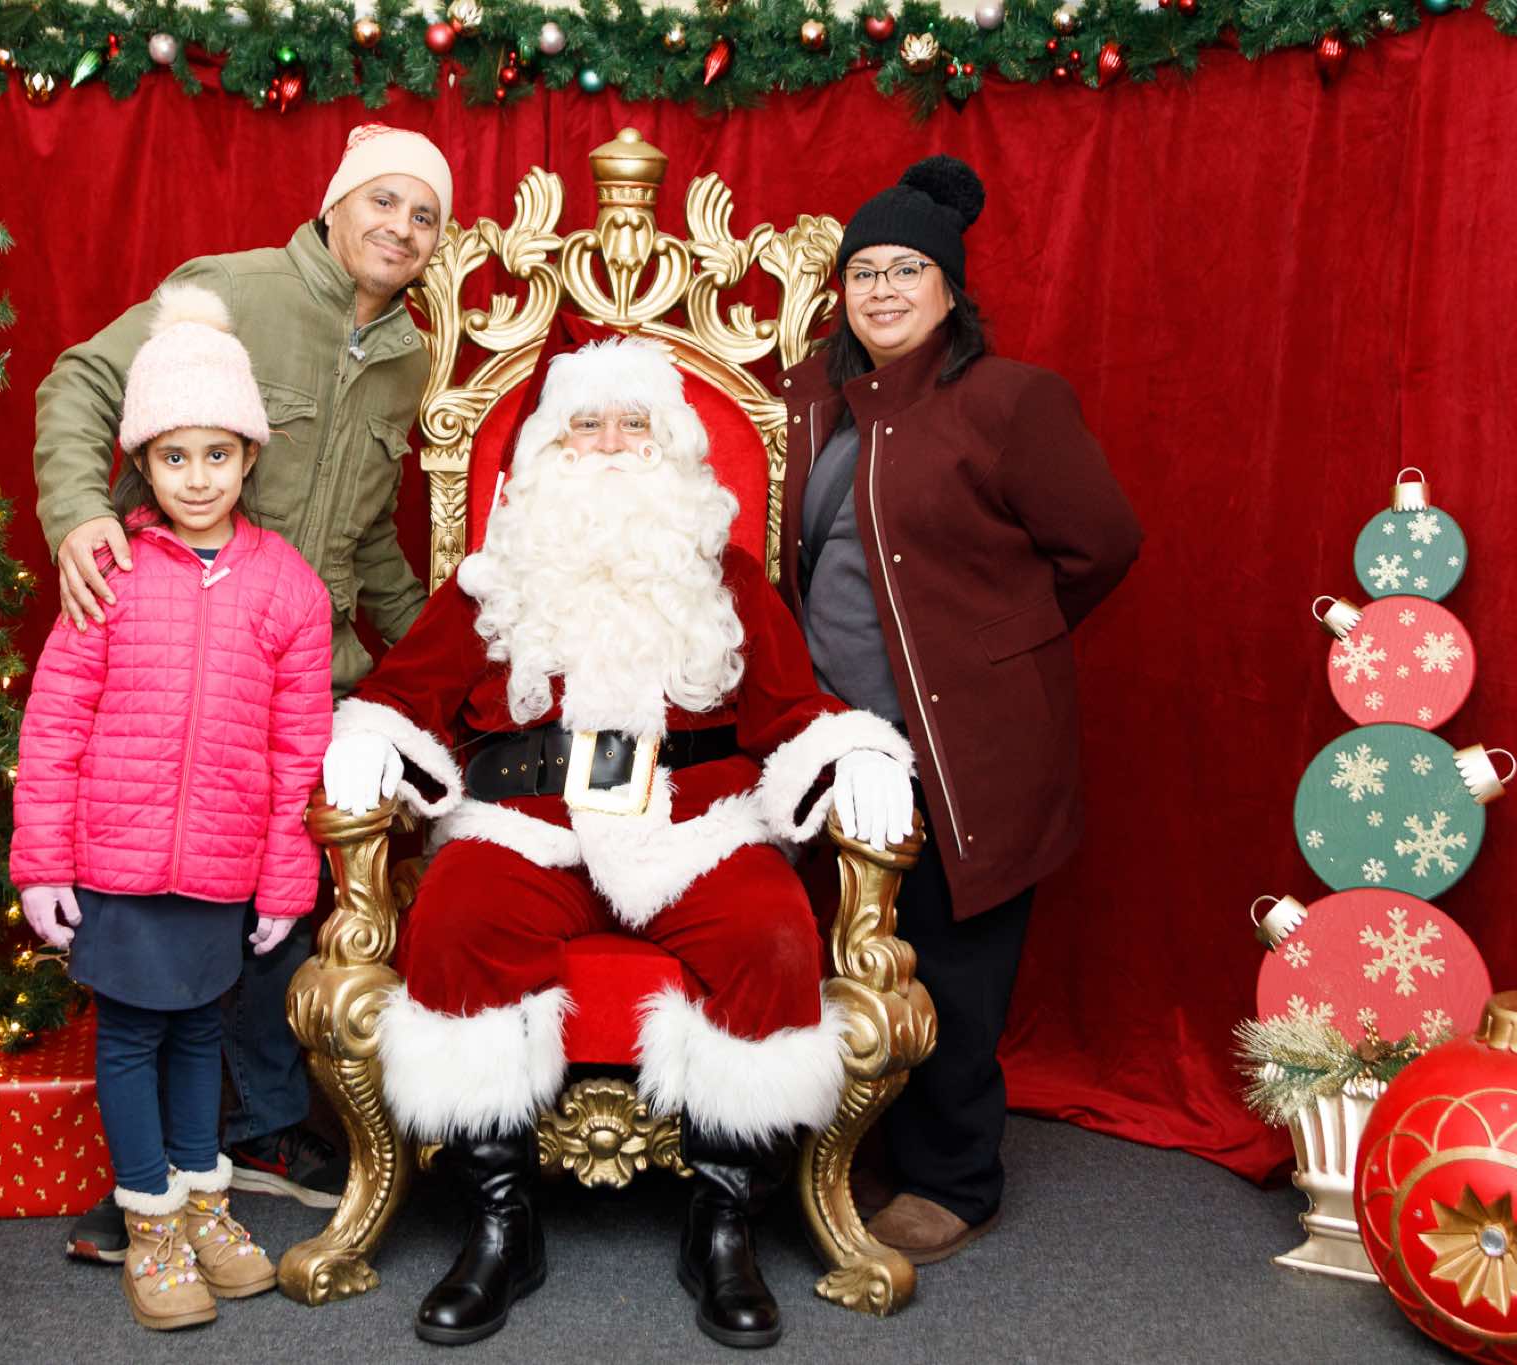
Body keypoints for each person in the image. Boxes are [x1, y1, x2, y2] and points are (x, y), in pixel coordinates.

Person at [320, 337, 917, 1349]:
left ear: (669, 445)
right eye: (583, 425)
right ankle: (501, 1223)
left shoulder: (725, 576)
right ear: (547, 449)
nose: (606, 444)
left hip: (693, 829)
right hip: (526, 827)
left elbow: (792, 708)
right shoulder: (494, 579)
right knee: (457, 918)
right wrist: (371, 738)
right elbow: (403, 689)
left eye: (631, 424)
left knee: (773, 933)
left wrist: (853, 750)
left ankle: (722, 1221)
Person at [33, 123, 451, 1256]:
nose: (400, 228)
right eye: (383, 201)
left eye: (424, 216)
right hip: (174, 654)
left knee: (276, 909)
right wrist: (79, 513)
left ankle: (255, 1132)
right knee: (165, 907)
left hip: (300, 672)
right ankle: (155, 1179)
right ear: (335, 204)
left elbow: (367, 540)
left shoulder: (408, 359)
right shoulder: (232, 291)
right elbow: (82, 381)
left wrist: (447, 647)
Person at [775, 157, 1143, 1265]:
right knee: (838, 945)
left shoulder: (1010, 400)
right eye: (864, 272)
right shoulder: (808, 394)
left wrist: (996, 650)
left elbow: (1102, 544)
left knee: (950, 957)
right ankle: (853, 1145)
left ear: (949, 288)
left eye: (908, 270)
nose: (883, 289)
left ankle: (953, 1178)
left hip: (963, 741)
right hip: (835, 738)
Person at [12, 285, 334, 1330]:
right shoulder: (107, 571)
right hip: (115, 861)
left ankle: (203, 1201)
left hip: (221, 865)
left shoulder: (288, 588)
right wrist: (42, 863)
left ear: (249, 456)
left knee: (200, 1033)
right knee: (130, 1038)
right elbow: (54, 723)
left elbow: (298, 752)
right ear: (142, 464)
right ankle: (148, 1218)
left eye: (217, 454)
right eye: (174, 456)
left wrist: (285, 879)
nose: (198, 477)